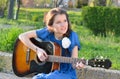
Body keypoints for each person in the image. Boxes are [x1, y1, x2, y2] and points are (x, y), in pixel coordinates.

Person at [19, 8, 85, 79]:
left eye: (65, 21)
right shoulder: (47, 32)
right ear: (51, 25)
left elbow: (74, 61)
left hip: (65, 73)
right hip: (47, 71)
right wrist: (37, 50)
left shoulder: (72, 36)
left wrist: (78, 65)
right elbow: (22, 36)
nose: (63, 25)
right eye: (58, 22)